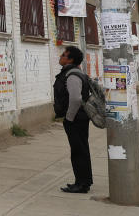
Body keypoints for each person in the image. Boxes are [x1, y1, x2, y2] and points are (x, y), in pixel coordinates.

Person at [53, 45, 92, 193]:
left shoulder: (72, 75)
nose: (61, 56)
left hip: (76, 119)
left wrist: (69, 118)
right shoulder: (72, 73)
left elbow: (75, 99)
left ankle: (82, 184)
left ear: (70, 59)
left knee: (79, 151)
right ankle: (82, 181)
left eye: (64, 55)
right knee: (80, 150)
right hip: (78, 118)